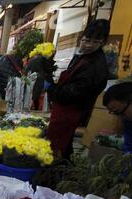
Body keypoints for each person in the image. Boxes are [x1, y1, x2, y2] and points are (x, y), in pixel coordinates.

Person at [46, 19, 110, 159]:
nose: (88, 45)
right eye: (86, 40)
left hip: (71, 111)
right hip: (64, 110)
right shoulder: (85, 57)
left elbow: (74, 93)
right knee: (63, 146)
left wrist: (52, 88)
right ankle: (62, 171)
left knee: (58, 148)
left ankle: (56, 175)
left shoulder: (95, 65)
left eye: (95, 42)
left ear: (103, 42)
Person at [24, 42, 57, 110]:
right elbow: (48, 73)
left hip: (30, 85)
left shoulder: (33, 58)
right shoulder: (44, 60)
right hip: (39, 85)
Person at [103, 81, 132, 153]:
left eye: (120, 112)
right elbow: (128, 147)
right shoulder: (128, 121)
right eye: (116, 114)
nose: (121, 117)